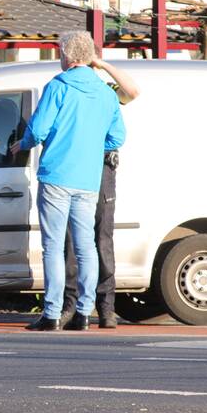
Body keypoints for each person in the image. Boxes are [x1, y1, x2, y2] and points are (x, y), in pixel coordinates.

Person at [10, 32, 124, 331]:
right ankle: (84, 312)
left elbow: (38, 130)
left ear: (67, 55)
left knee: (53, 246)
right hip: (88, 179)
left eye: (60, 53)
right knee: (86, 246)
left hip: (57, 176)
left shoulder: (58, 87)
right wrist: (91, 146)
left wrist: (23, 144)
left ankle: (52, 313)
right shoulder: (106, 93)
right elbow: (117, 137)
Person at [61, 58, 139, 329]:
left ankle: (106, 308)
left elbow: (132, 92)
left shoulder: (106, 90)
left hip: (102, 167)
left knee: (102, 237)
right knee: (72, 240)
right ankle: (71, 305)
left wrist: (104, 65)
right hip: (78, 165)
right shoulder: (68, 87)